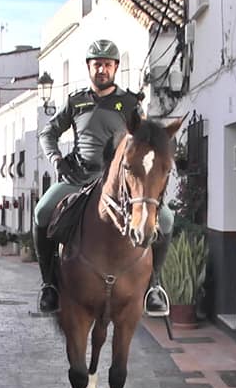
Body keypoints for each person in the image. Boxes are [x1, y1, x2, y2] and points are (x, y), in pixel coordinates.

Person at [33, 39, 174, 316]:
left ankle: (154, 286)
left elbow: (144, 143)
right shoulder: (76, 101)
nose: (102, 70)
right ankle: (49, 285)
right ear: (89, 67)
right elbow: (47, 133)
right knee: (41, 212)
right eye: (97, 64)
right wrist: (57, 160)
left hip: (119, 184)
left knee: (166, 220)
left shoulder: (130, 103)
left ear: (115, 68)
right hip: (78, 177)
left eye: (107, 65)